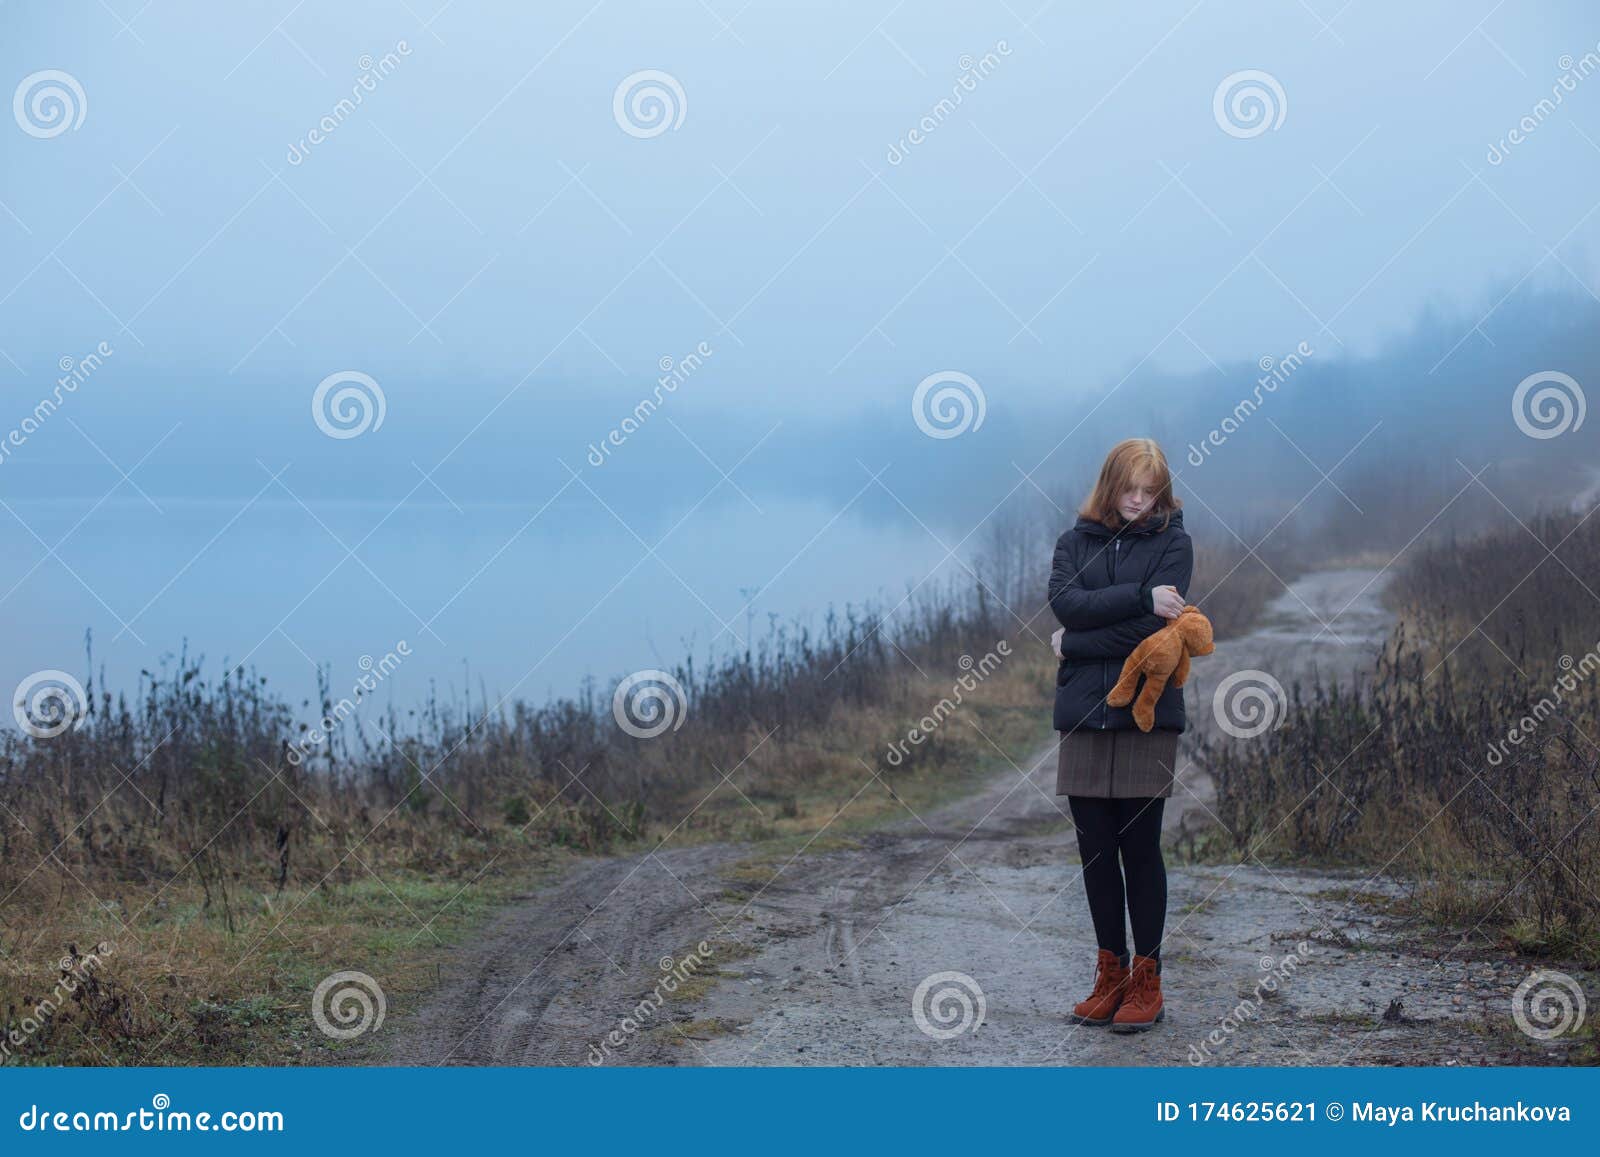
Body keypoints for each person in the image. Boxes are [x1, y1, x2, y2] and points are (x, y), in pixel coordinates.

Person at [1047, 437, 1192, 1033]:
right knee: (1096, 853)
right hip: (1084, 714)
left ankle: (1146, 980)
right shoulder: (1072, 542)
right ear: (1110, 485)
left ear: (1162, 491)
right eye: (1129, 488)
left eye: (1149, 490)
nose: (1138, 501)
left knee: (1139, 849)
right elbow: (1065, 603)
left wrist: (1075, 643)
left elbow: (1152, 639)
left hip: (1145, 717)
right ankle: (1109, 978)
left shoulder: (1174, 545)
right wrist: (1137, 598)